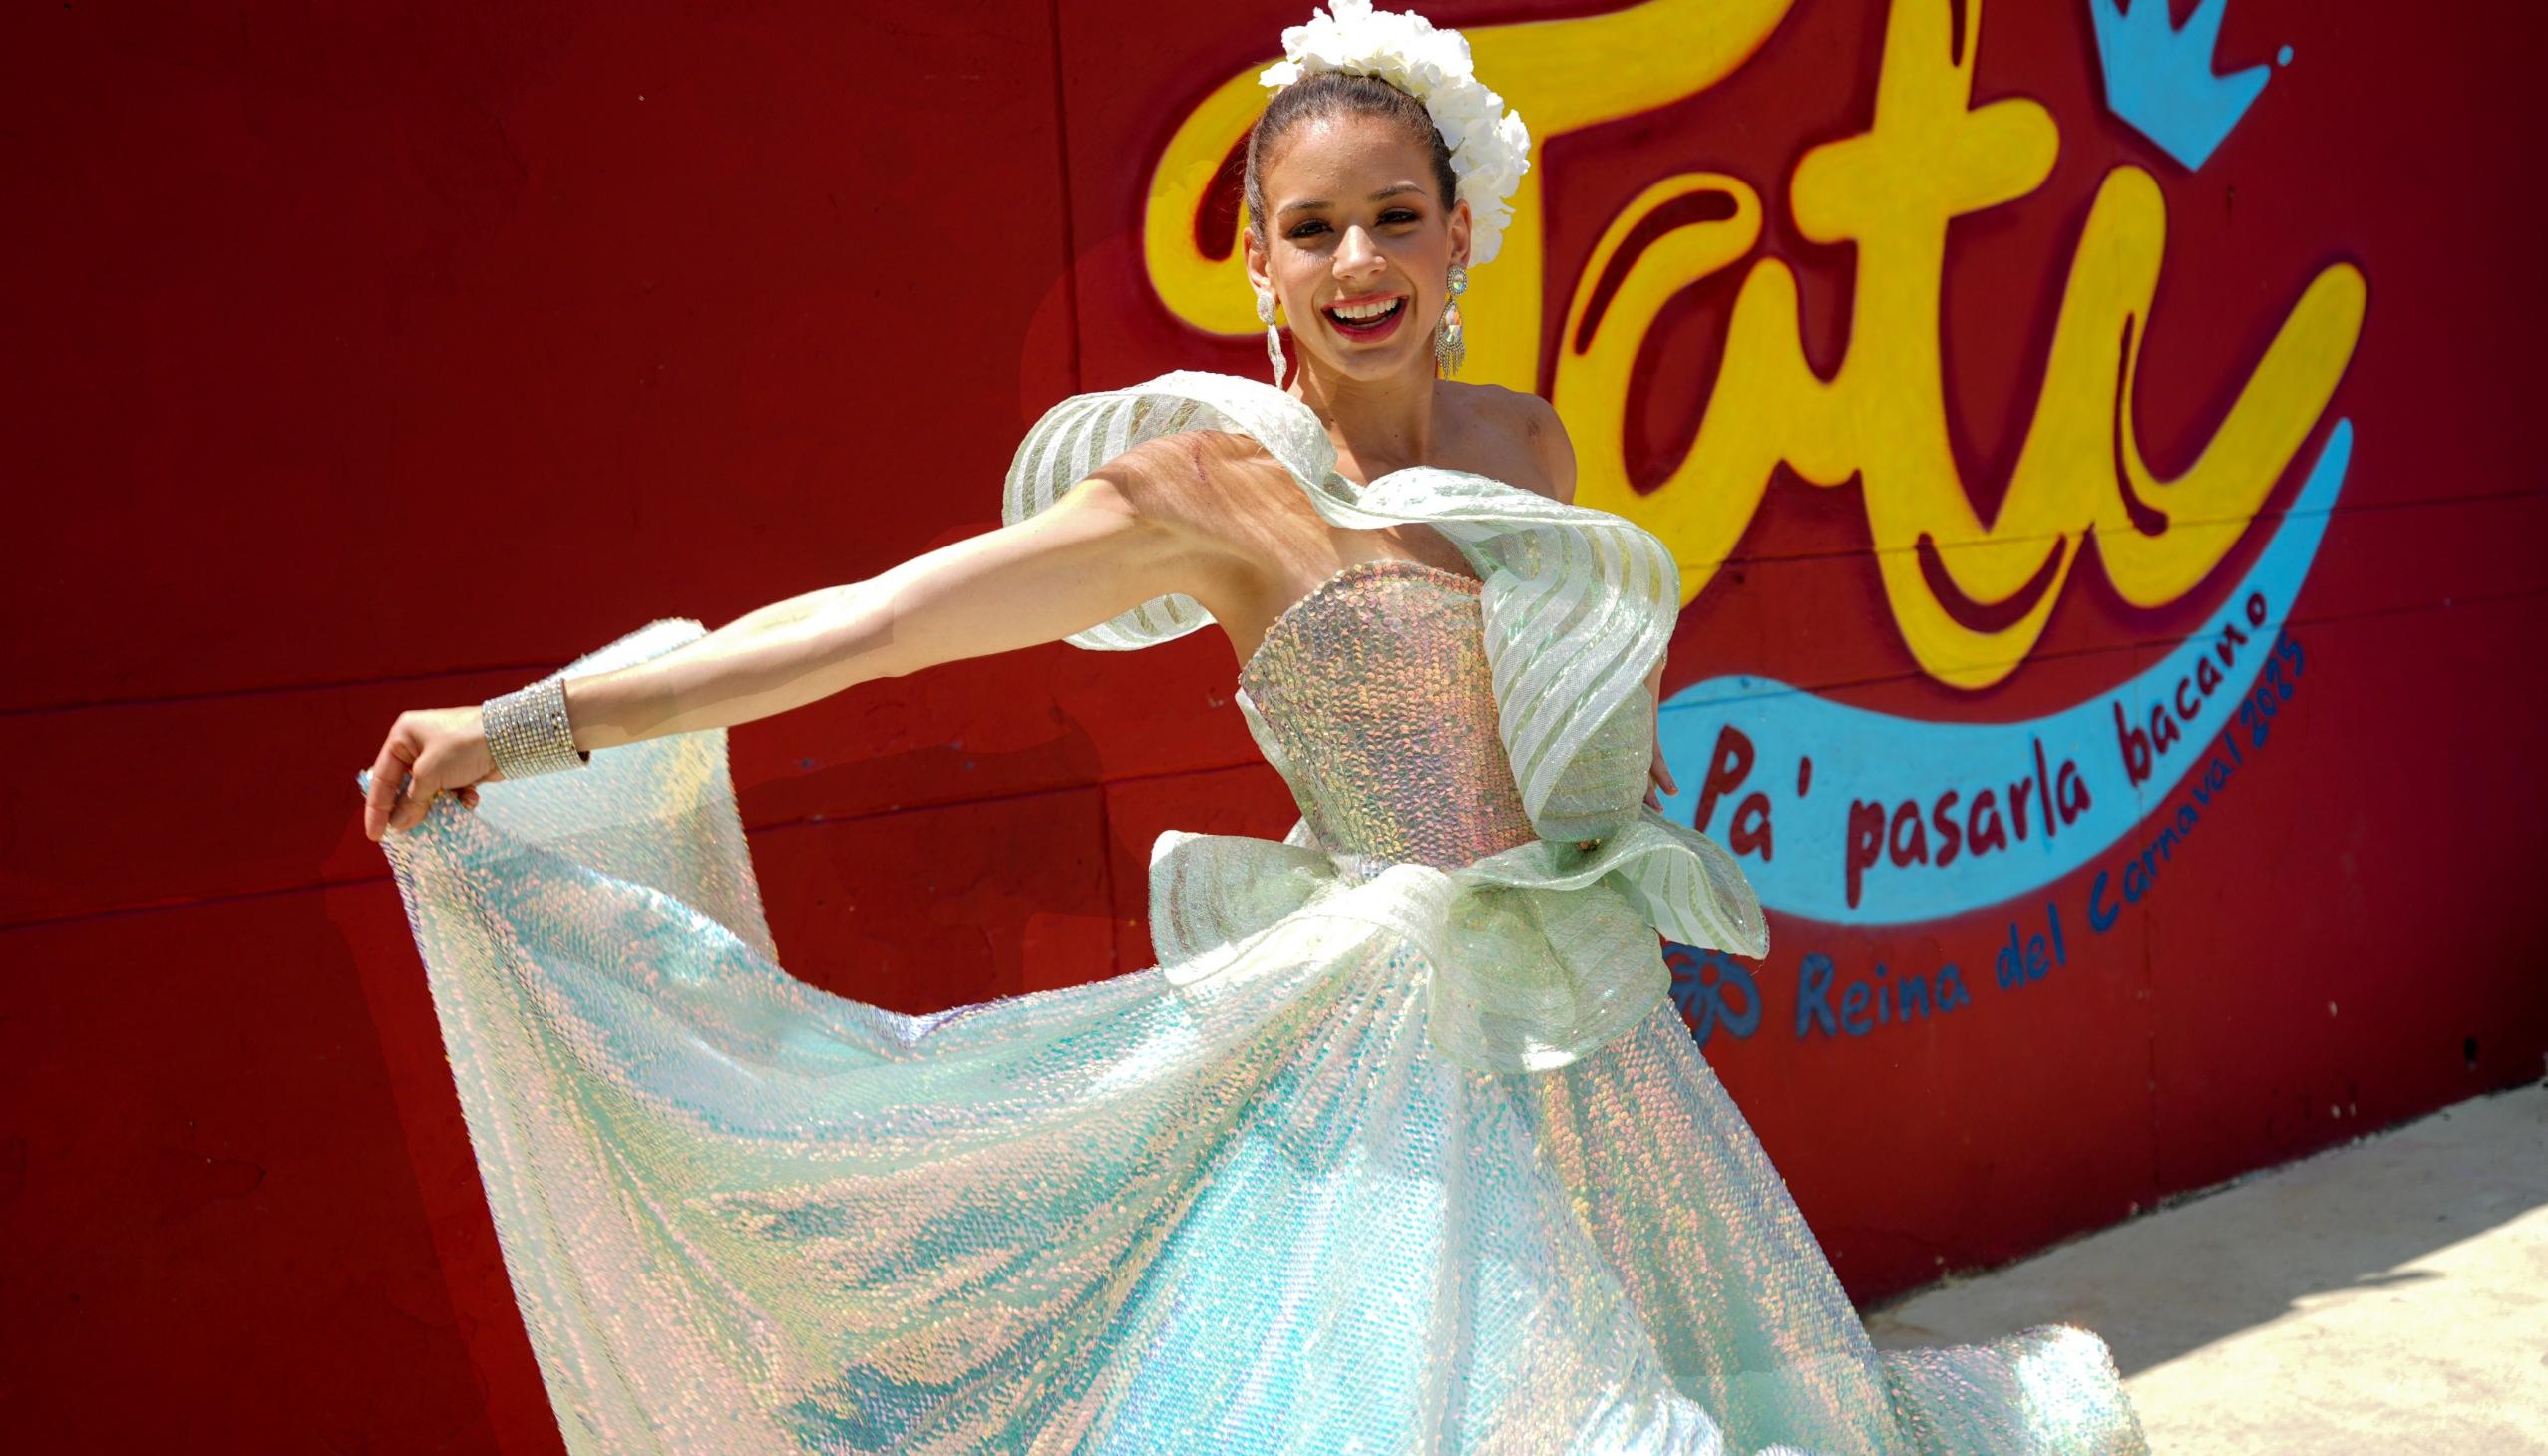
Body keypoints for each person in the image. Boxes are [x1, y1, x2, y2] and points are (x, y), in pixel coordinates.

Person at [356, 3, 2149, 1450]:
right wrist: (525, 726)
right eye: (1313, 228)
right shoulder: (1204, 485)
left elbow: (1547, 728)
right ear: (1258, 266)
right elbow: (875, 629)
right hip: (1377, 1044)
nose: (1357, 259)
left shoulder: (1524, 444)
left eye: (1392, 217)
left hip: (1577, 1035)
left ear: (1462, 236)